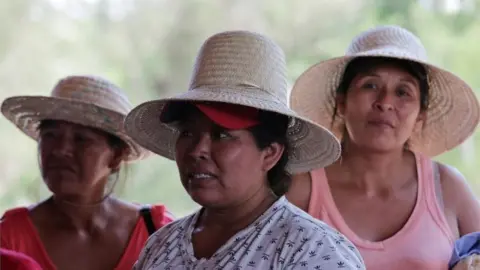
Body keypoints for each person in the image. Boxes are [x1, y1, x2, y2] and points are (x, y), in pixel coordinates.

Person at [124, 30, 366, 269]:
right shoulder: (163, 244)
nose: (198, 150)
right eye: (188, 132)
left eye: (222, 135)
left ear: (270, 153)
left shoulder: (310, 250)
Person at [286, 25, 480, 270]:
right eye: (370, 86)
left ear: (420, 113)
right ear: (342, 102)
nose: (385, 103)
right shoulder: (301, 189)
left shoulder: (446, 187)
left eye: (403, 92)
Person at [0, 75, 174, 270]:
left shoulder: (158, 234)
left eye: (81, 139)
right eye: (51, 135)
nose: (60, 150)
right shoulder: (9, 238)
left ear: (116, 156)